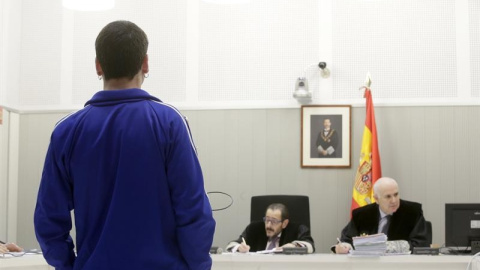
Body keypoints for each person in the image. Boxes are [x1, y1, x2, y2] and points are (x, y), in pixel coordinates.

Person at [34, 20, 215, 270]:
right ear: (145, 63)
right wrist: (198, 265)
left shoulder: (66, 131)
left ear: (98, 66)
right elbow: (193, 211)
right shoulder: (170, 123)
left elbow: (48, 220)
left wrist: (68, 265)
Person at [333, 177, 430, 254]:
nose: (394, 200)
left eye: (396, 194)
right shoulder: (362, 215)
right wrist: (343, 247)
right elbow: (346, 240)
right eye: (388, 196)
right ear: (376, 199)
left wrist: (382, 246)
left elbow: (421, 244)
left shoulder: (413, 212)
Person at [226, 203, 315, 253]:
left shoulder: (297, 229)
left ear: (284, 223)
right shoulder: (254, 228)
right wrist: (239, 247)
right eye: (267, 220)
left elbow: (310, 245)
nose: (268, 225)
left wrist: (293, 246)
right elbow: (232, 245)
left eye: (274, 221)